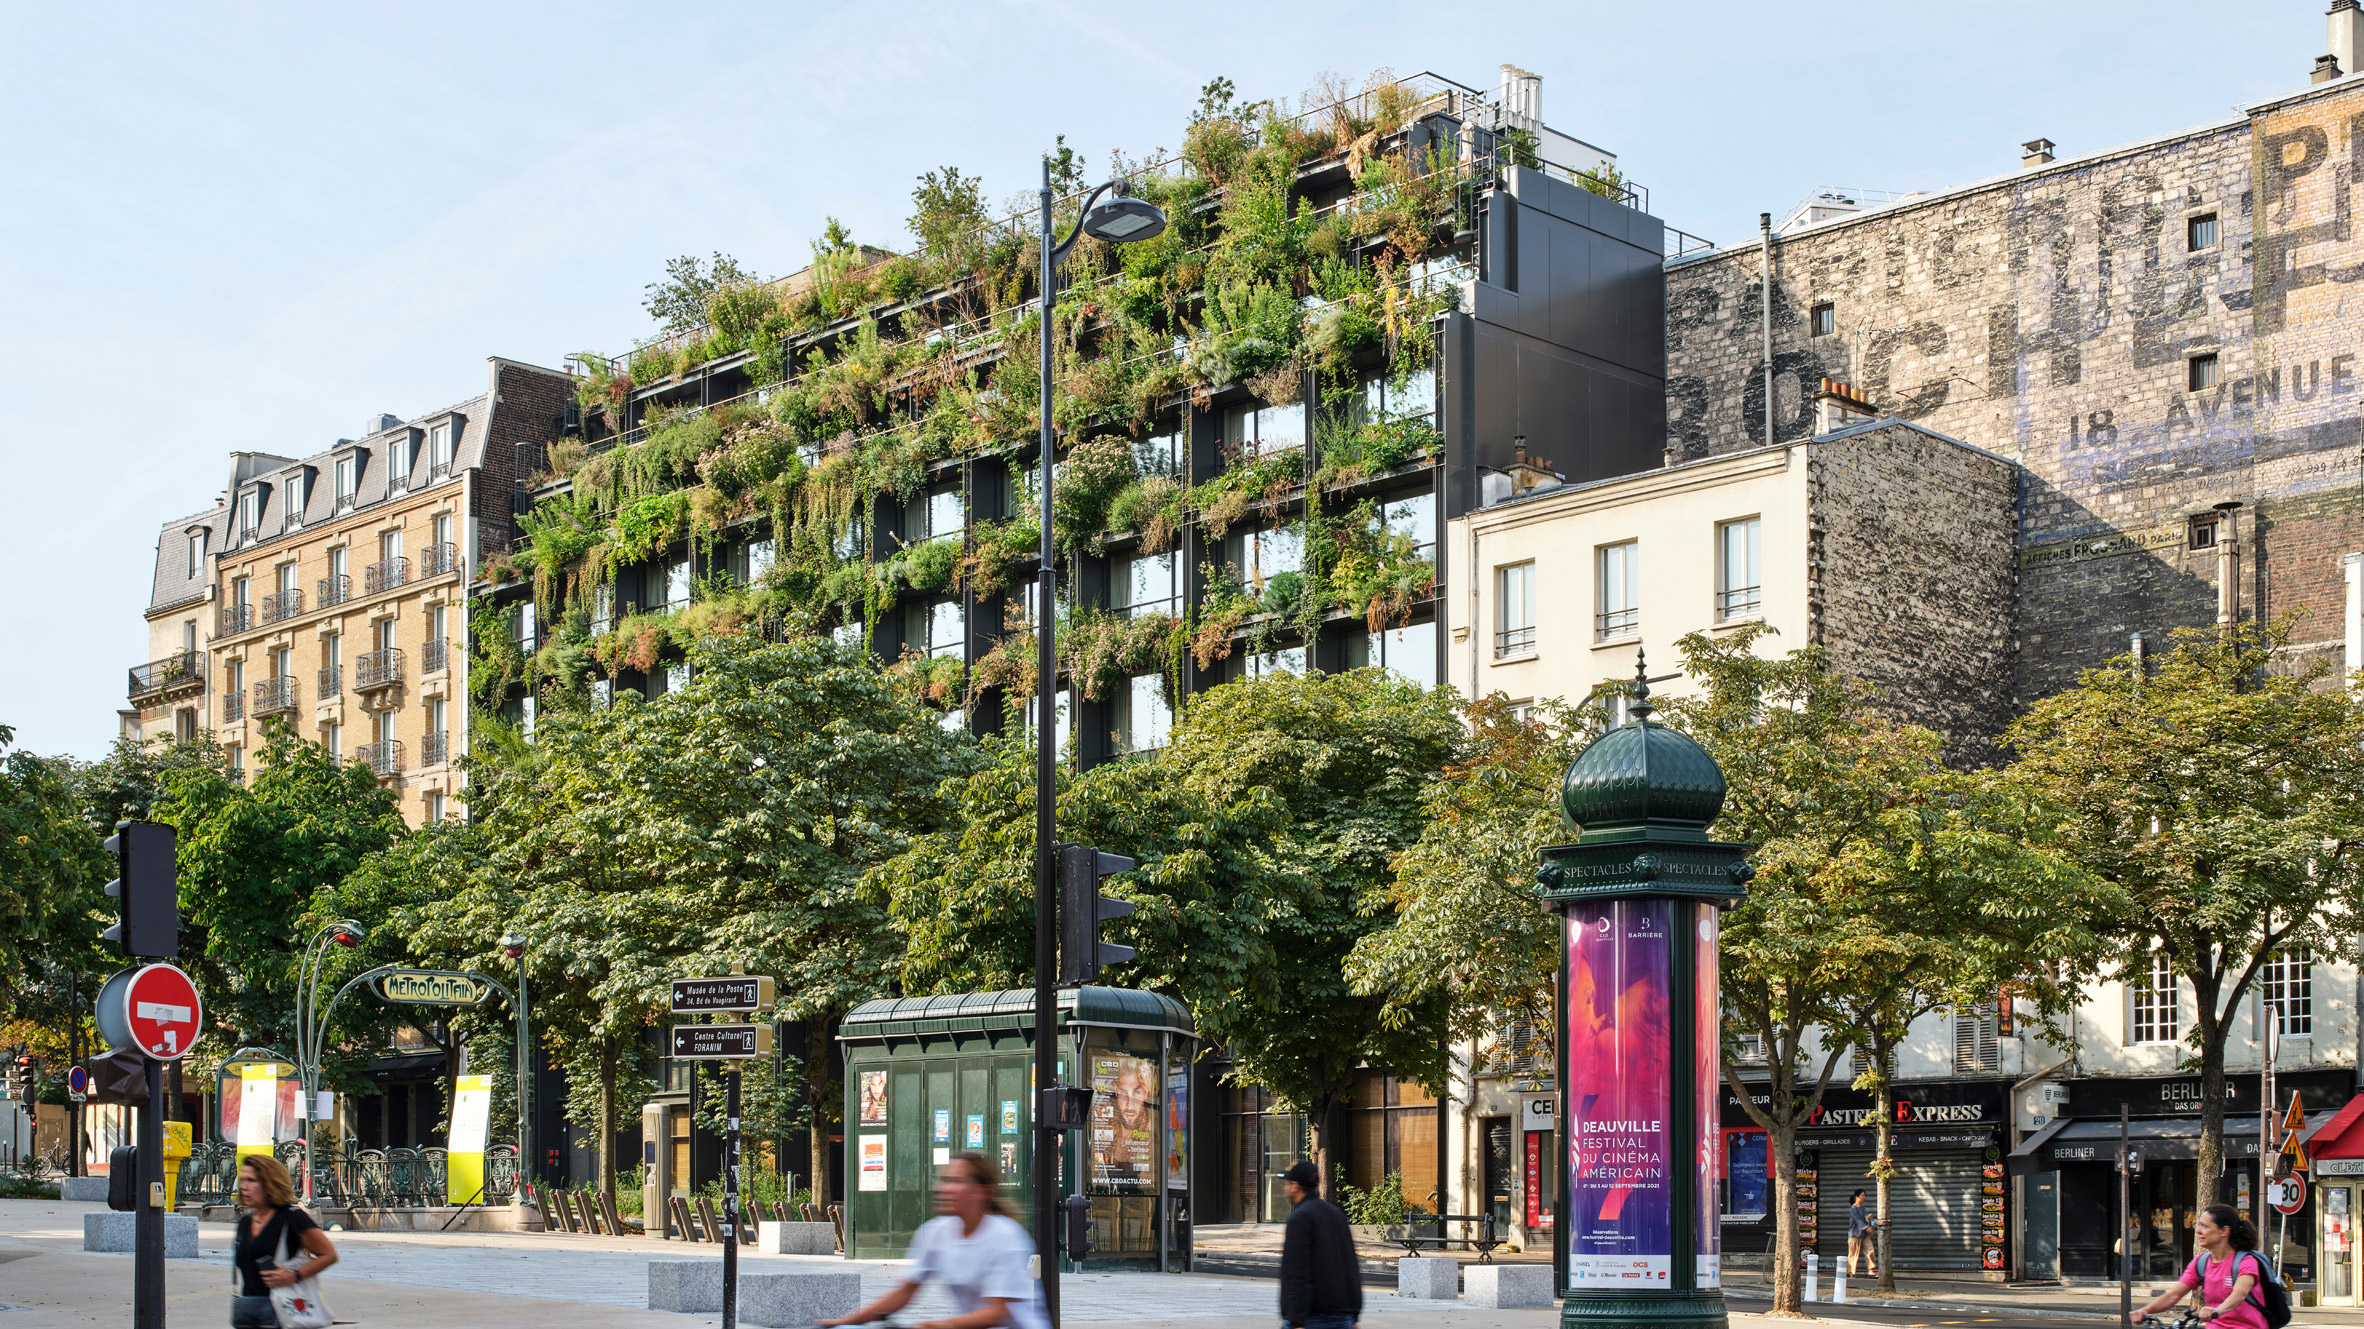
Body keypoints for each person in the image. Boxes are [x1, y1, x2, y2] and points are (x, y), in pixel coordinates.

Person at [820, 1150, 1045, 1329]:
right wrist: (847, 1322)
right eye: (944, 1180)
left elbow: (999, 1313)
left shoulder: (1005, 1235)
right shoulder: (936, 1232)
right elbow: (905, 1292)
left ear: (982, 1191)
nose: (943, 1188)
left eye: (956, 1181)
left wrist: (941, 1325)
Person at [231, 1153, 338, 1328]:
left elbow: (329, 1255)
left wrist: (294, 1275)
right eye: (243, 1180)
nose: (244, 1187)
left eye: (252, 1180)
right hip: (248, 1311)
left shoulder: (292, 1217)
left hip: (282, 1312)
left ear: (270, 1183)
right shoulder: (246, 1222)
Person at [2134, 1203, 2270, 1327]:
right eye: (2199, 1225)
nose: (2198, 1230)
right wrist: (2144, 1311)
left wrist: (2217, 1310)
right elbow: (2173, 1296)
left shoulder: (2245, 1262)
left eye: (2205, 1226)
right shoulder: (2201, 1263)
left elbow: (2240, 1293)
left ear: (2224, 1231)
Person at [1277, 1160, 1361, 1329]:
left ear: (1295, 1186)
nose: (1285, 1188)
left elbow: (1297, 1274)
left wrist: (1296, 1321)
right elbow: (1351, 1266)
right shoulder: (1336, 1215)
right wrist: (1353, 1316)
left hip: (1310, 1318)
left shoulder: (1299, 1219)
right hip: (1342, 1317)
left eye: (1287, 1183)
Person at [1848, 1189, 1875, 1278]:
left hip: (1864, 1234)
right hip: (1855, 1234)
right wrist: (1867, 1227)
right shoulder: (1853, 1208)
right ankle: (1851, 1272)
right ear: (1857, 1197)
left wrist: (1873, 1221)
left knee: (1870, 1250)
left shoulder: (1863, 1208)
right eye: (1862, 1195)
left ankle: (1871, 1270)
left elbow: (1864, 1219)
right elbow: (1858, 1220)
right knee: (1853, 1253)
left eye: (1864, 1195)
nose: (1864, 1197)